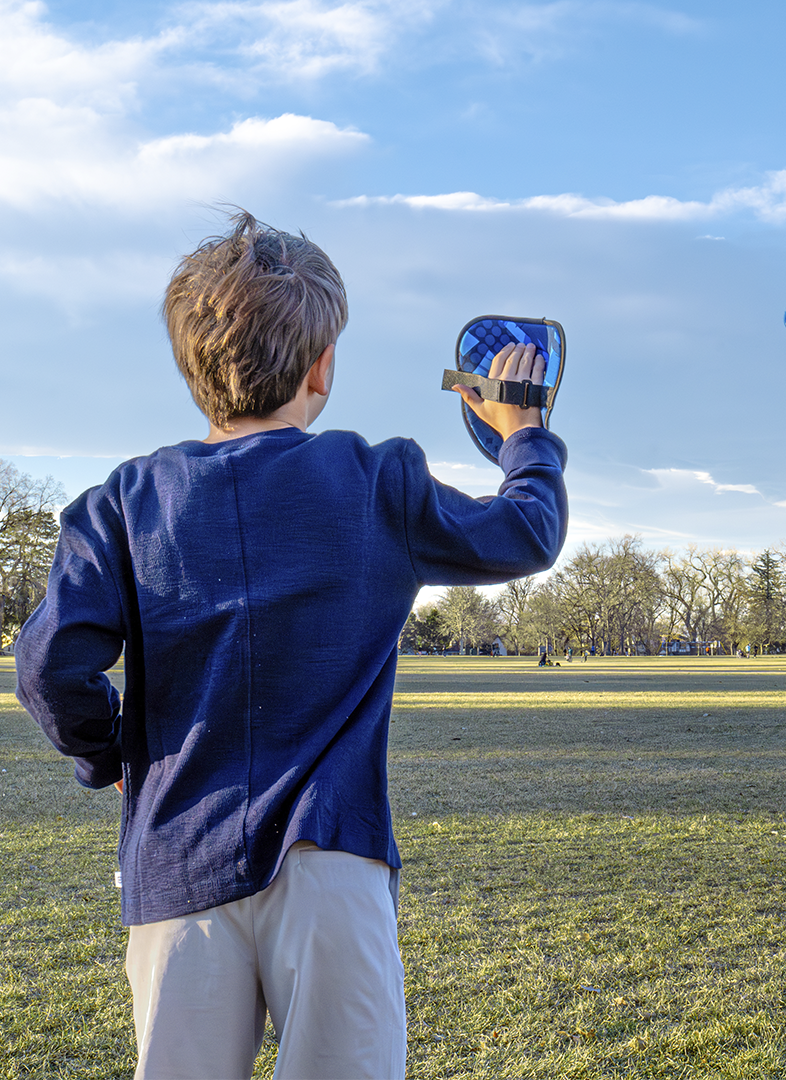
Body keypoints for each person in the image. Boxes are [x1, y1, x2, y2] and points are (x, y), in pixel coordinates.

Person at [15, 210, 568, 1079]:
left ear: (192, 366)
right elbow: (527, 532)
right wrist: (525, 434)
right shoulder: (375, 479)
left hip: (175, 864)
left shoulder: (121, 504)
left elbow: (50, 666)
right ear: (322, 365)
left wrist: (107, 754)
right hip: (330, 862)